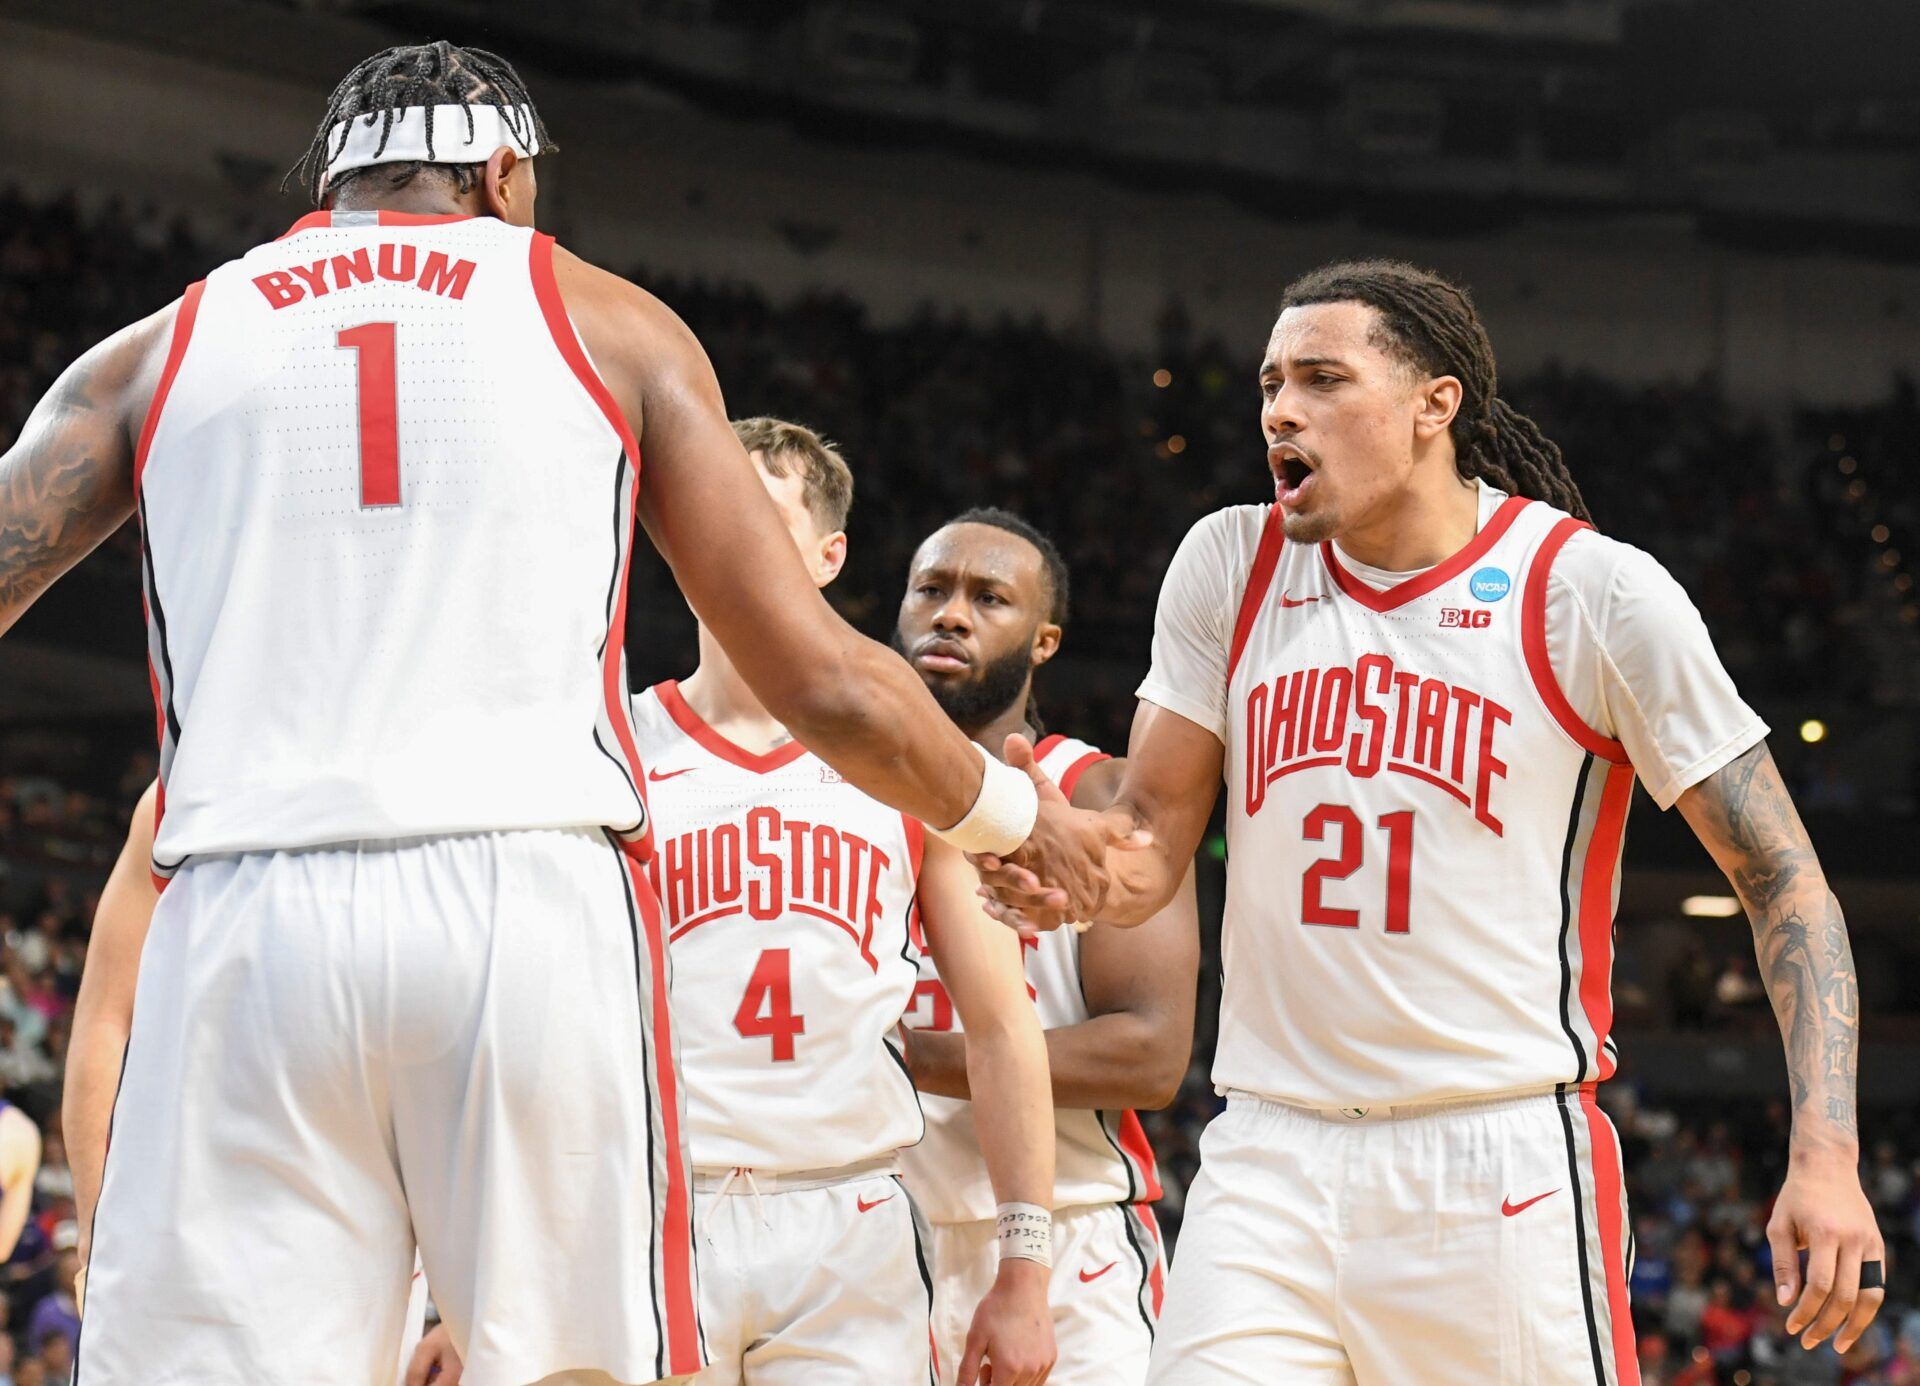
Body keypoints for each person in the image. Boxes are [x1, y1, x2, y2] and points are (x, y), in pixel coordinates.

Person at [0, 40, 1114, 1386]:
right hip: (521, 909)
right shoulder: (607, 320)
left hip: (247, 906)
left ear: (332, 180)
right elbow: (823, 676)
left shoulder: (149, 351)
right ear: (508, 172)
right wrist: (1007, 810)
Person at [975, 259, 1885, 1382]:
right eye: (1269, 385)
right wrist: (1073, 879)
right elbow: (1153, 845)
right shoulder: (1228, 563)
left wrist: (1828, 1153)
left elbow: (1785, 880)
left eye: (1320, 378)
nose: (1278, 410)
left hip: (1495, 1161)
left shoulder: (1588, 593)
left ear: (1432, 405)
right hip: (1269, 1154)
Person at [410, 420, 1059, 1386]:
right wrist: (467, 1280)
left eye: (757, 507)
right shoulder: (608, 751)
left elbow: (1005, 1026)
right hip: (648, 1212)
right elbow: (523, 1021)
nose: (722, 527)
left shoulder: (903, 759)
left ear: (831, 554)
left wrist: (1026, 1267)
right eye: (700, 507)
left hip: (853, 1221)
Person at [893, 508, 1199, 1385]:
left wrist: (897, 1058)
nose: (952, 614)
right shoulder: (836, 794)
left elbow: (1150, 1053)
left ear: (1044, 641)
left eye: (990, 598)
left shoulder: (1096, 791)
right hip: (875, 1231)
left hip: (1071, 1244)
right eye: (932, 589)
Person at [66, 784, 432, 1379]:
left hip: (355, 1233)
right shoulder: (179, 791)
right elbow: (107, 1015)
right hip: (169, 1233)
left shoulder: (432, 788)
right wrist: (93, 1225)